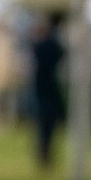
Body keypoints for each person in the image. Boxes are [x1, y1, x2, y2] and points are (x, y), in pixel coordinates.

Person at [29, 13, 65, 170]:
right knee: (46, 127)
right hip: (47, 91)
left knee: (45, 127)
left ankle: (44, 157)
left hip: (45, 90)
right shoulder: (52, 46)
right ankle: (44, 157)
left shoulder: (42, 46)